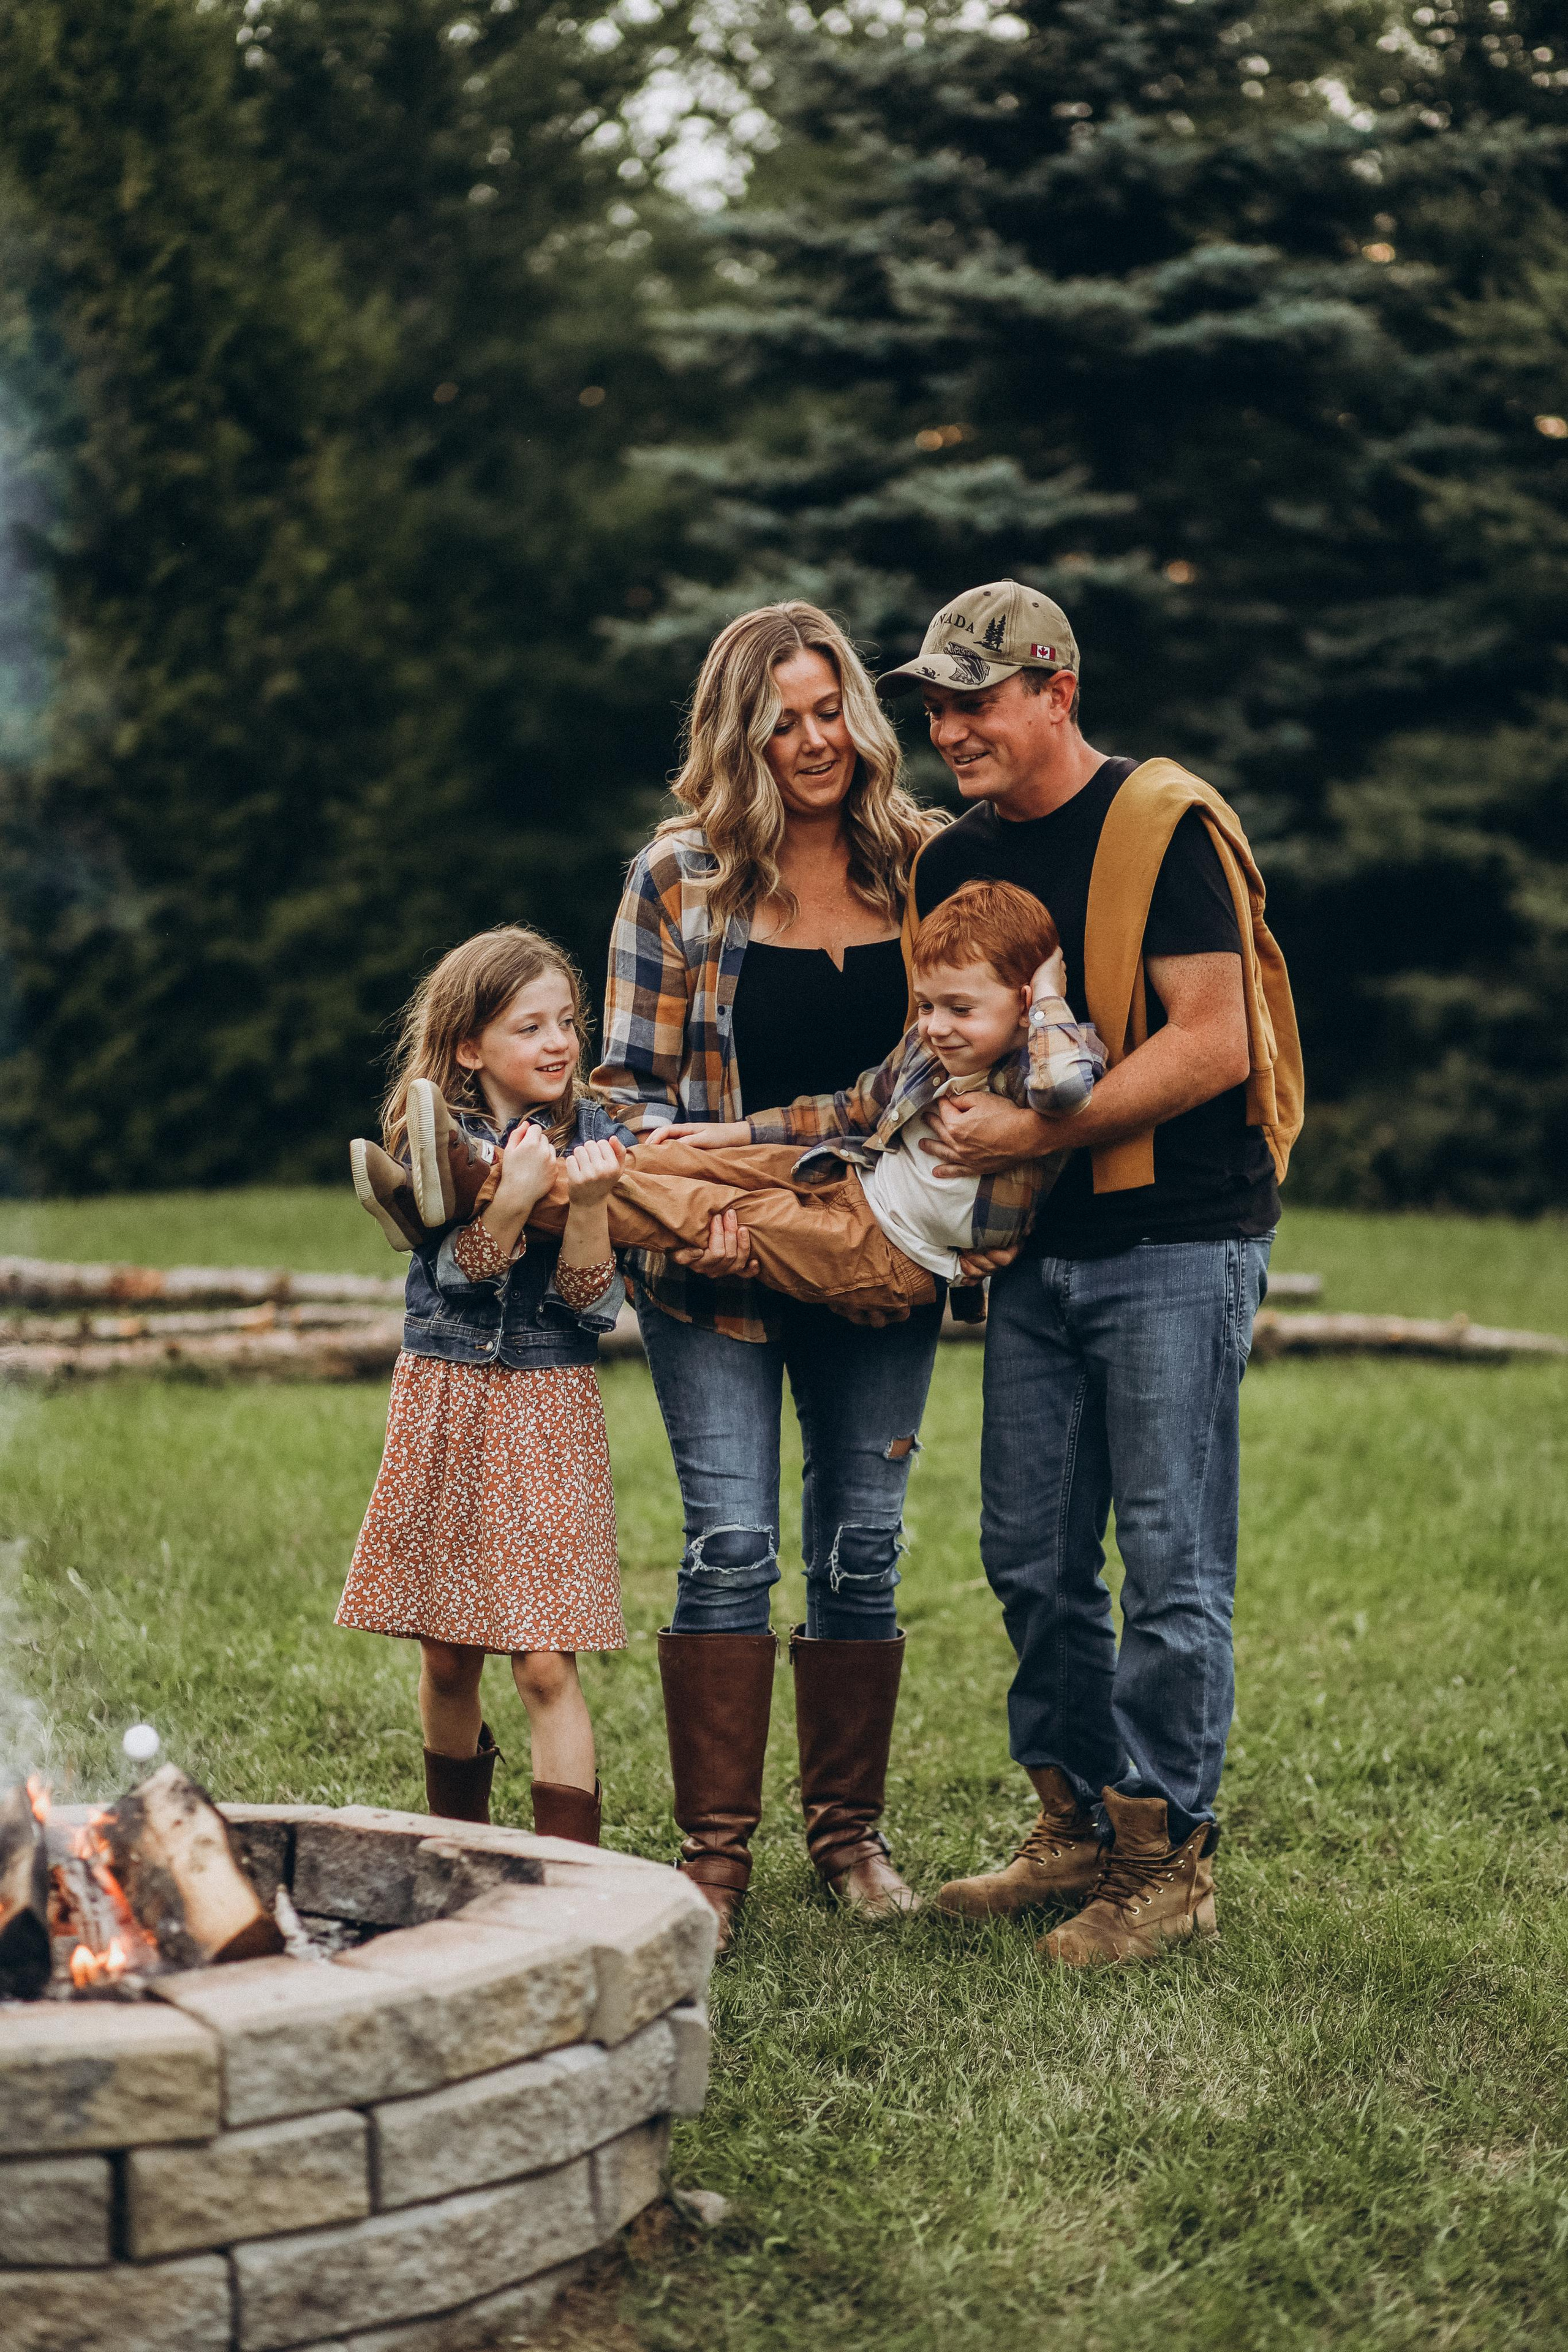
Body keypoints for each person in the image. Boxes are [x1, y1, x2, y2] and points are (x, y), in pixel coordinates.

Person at [876, 578, 1302, 1965]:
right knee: (1030, 1554)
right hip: (1033, 1257)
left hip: (1179, 1239)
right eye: (935, 706)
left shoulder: (1159, 825)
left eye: (975, 699)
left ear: (1056, 691)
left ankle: (1165, 1858)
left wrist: (1036, 1129)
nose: (950, 727)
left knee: (1171, 1561)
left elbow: (1214, 1041)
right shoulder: (951, 862)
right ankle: (1070, 1823)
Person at [589, 600, 949, 1944]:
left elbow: (935, 1077)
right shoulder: (675, 879)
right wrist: (705, 1214)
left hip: (875, 1256)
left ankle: (848, 1838)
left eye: (828, 711)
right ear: (737, 738)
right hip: (714, 1265)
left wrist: (770, 1163)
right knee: (729, 1546)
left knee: (863, 1549)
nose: (813, 742)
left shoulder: (922, 866)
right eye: (781, 721)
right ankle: (715, 1862)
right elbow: (623, 1099)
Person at [372, 882, 1105, 1322]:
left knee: (703, 1211)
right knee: (672, 1161)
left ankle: (478, 1183)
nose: (937, 1026)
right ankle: (458, 1187)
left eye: (959, 1010)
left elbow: (1066, 1089)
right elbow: (844, 1111)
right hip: (849, 1177)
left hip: (886, 1251)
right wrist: (727, 1138)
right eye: (927, 1005)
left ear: (1021, 1002)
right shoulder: (929, 1049)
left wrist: (1047, 996)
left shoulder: (1042, 1062)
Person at [336, 925, 631, 1845]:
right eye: (529, 1028)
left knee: (544, 1661)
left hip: (548, 1408)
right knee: (449, 1653)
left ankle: (570, 1880)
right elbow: (459, 1279)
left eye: (567, 1022)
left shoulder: (599, 1137)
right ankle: (460, 1846)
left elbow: (592, 1305)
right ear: (470, 1046)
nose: (558, 1043)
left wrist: (587, 1203)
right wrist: (508, 1198)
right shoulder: (436, 1144)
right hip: (450, 1397)